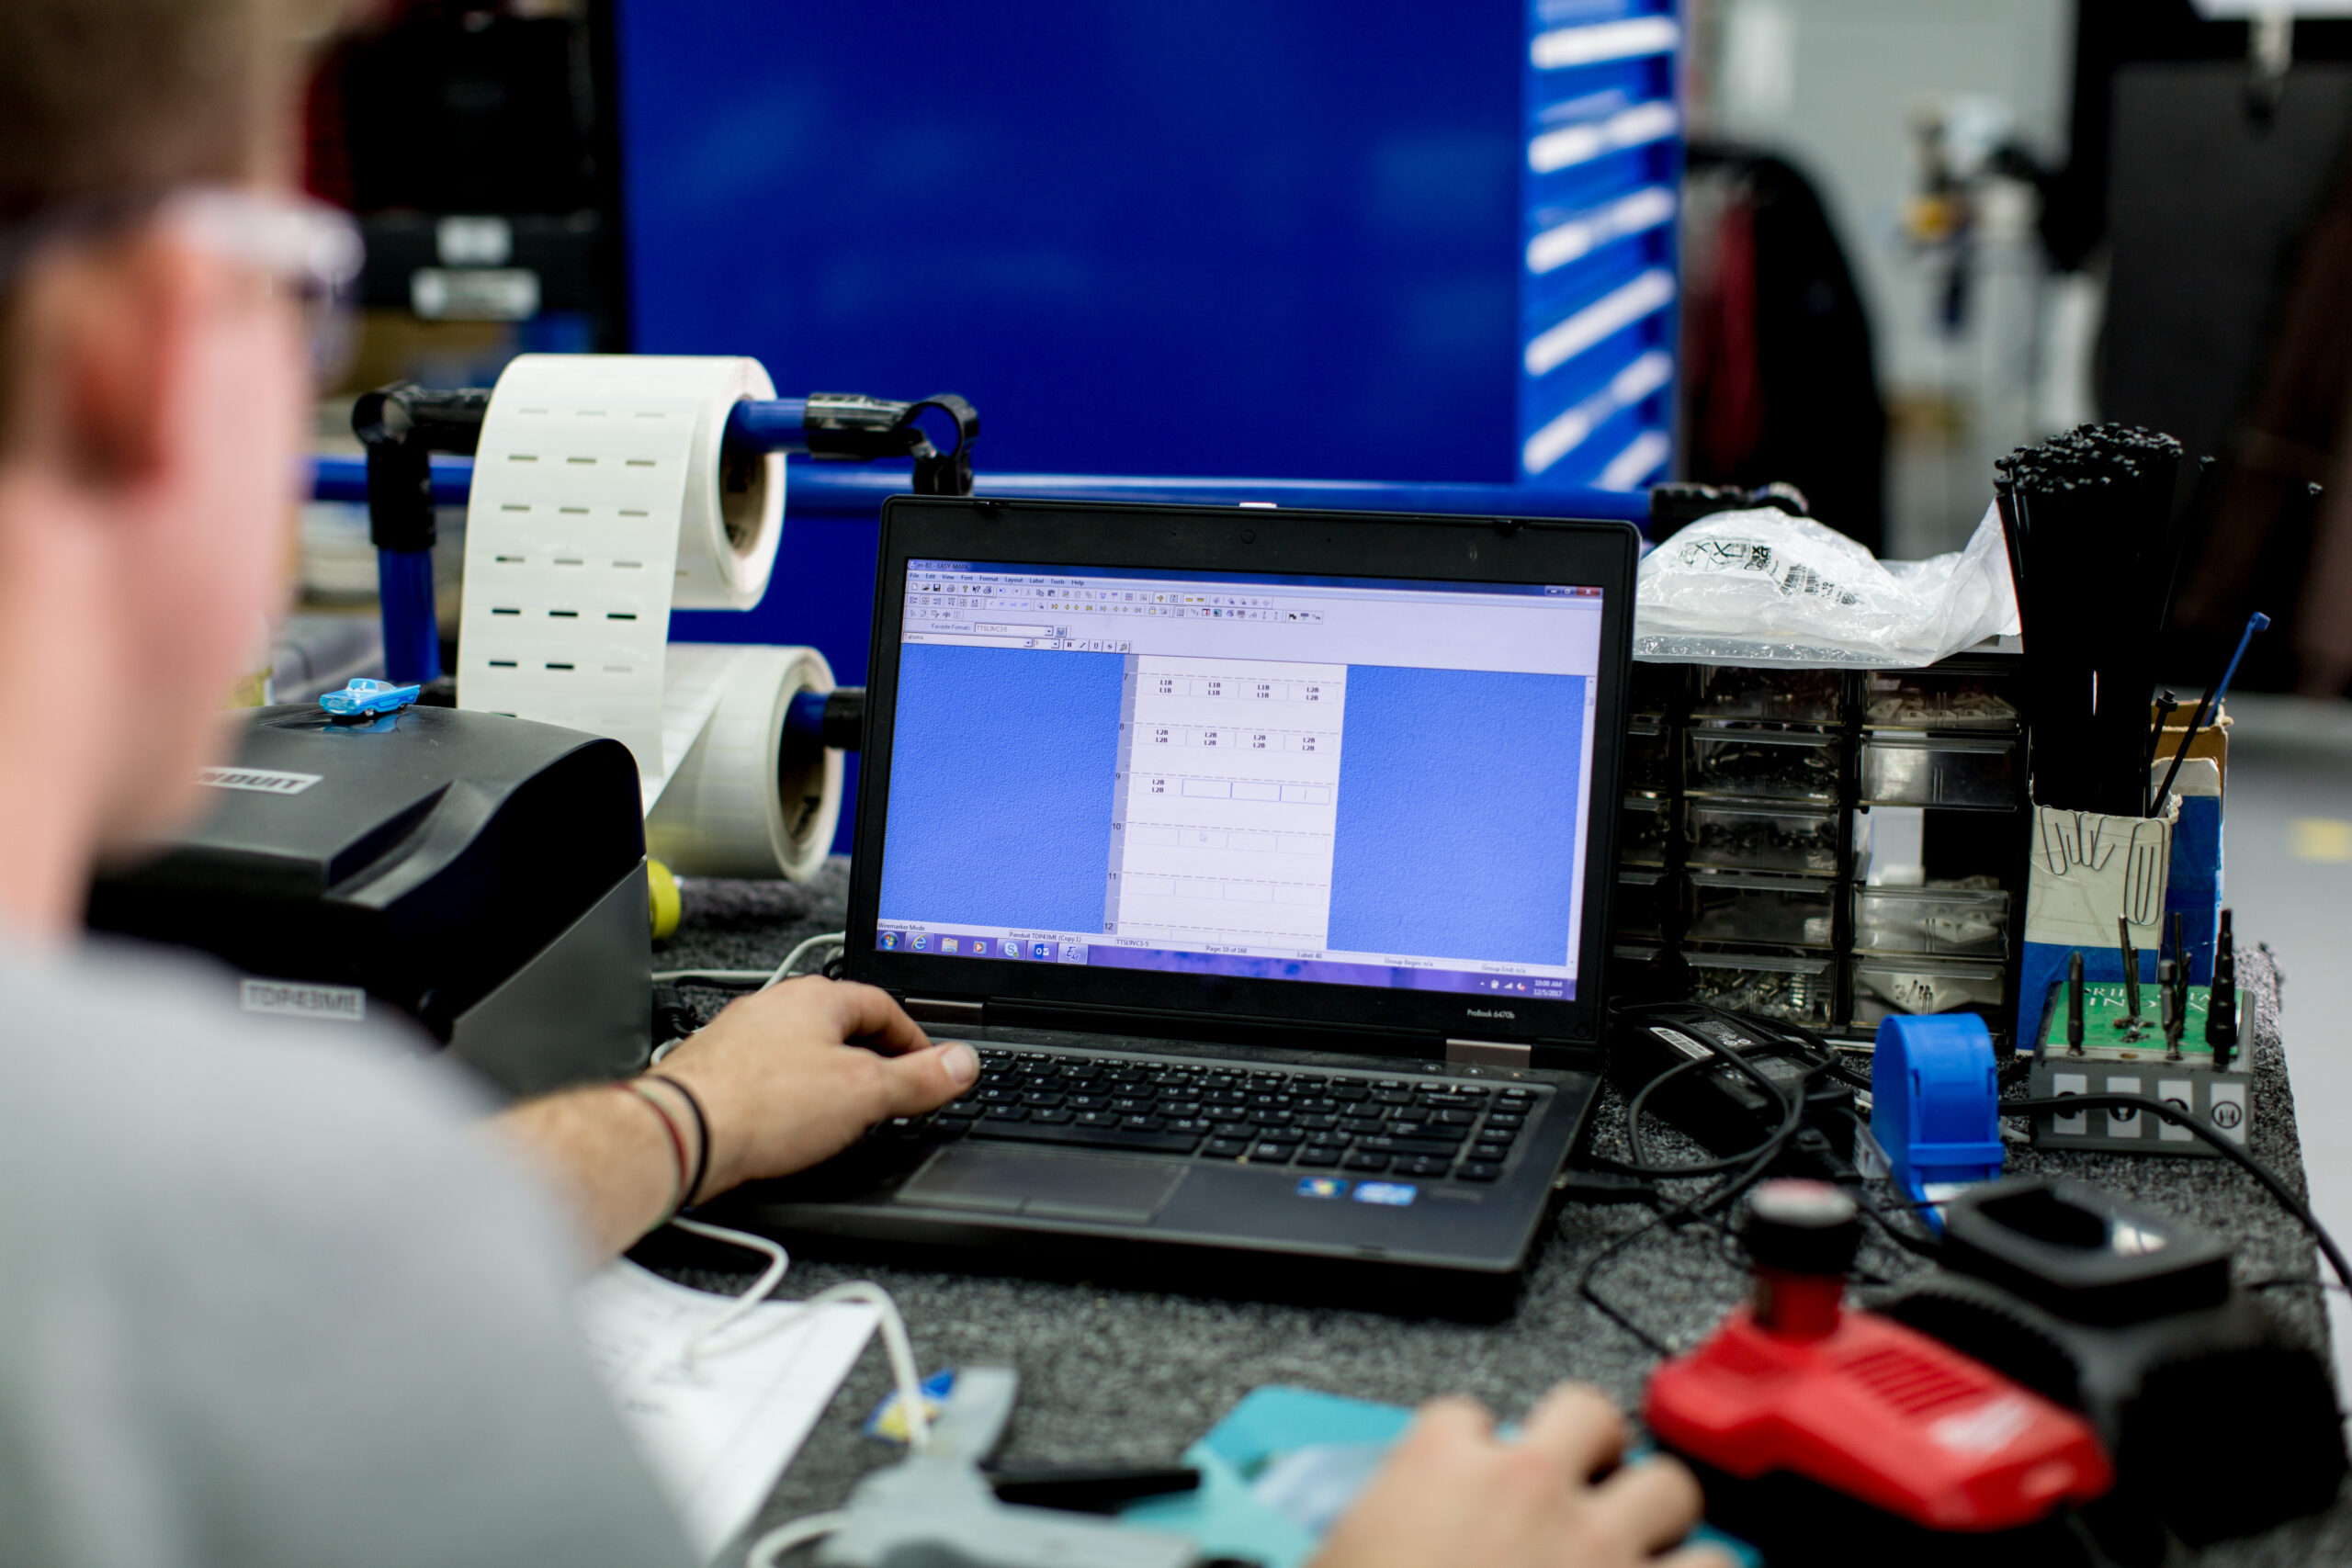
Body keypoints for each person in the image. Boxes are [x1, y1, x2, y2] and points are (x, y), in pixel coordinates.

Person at [0, 1, 1722, 1563]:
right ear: (142, 349)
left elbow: (367, 1239)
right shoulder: (240, 1211)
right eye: (292, 294)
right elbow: (335, 1248)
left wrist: (688, 1116)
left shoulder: (209, 1202)